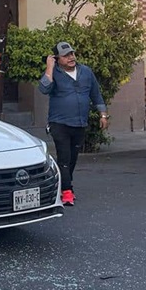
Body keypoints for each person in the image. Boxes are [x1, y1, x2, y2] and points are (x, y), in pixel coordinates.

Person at [39, 41, 108, 207]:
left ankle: (62, 186)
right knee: (64, 157)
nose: (71, 57)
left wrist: (103, 114)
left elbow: (96, 94)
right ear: (57, 58)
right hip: (59, 123)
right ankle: (67, 191)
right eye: (66, 55)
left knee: (72, 158)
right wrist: (49, 67)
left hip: (79, 123)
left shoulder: (86, 72)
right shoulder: (53, 72)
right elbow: (44, 89)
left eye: (72, 54)